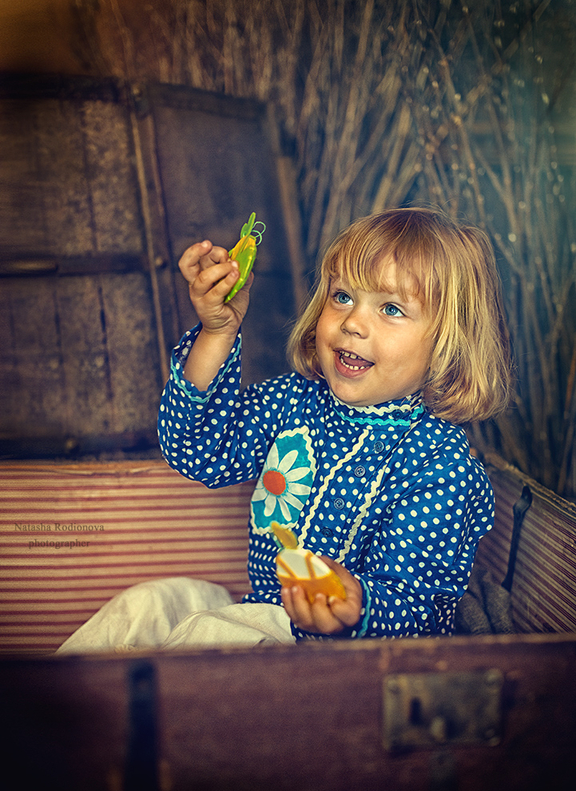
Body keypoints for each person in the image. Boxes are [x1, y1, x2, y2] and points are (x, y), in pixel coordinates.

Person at [57, 207, 512, 654]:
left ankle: (140, 703)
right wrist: (217, 332)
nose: (353, 323)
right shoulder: (294, 400)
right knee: (151, 603)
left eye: (391, 308)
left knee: (213, 631)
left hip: (337, 658)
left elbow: (417, 612)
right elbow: (196, 449)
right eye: (343, 296)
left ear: (449, 343)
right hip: (258, 611)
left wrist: (356, 605)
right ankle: (57, 696)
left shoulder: (441, 466)